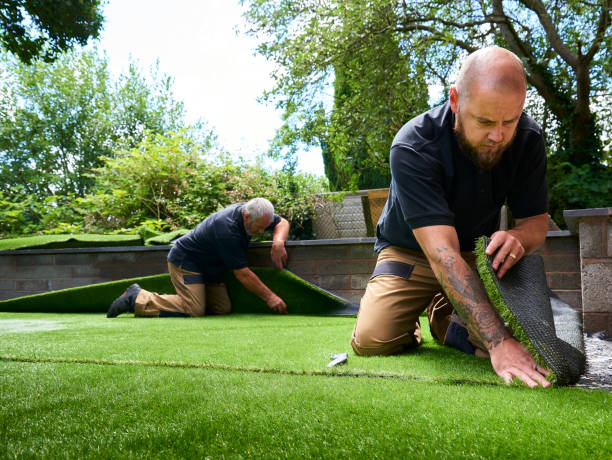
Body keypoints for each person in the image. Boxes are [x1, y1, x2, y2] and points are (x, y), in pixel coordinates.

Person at [351, 46, 552, 388]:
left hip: (474, 253)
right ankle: (413, 314)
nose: (498, 136)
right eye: (485, 121)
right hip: (410, 252)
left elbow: (536, 224)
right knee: (374, 340)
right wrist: (498, 344)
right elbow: (441, 255)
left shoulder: (528, 140)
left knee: (523, 338)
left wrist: (518, 238)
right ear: (456, 101)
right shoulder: (413, 145)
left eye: (510, 121)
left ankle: (444, 316)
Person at [107, 197, 290, 318]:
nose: (260, 232)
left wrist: (278, 242)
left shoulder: (258, 213)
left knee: (222, 309)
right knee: (193, 310)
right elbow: (243, 274)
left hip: (210, 268)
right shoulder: (227, 228)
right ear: (247, 216)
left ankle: (194, 298)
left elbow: (282, 222)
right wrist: (271, 298)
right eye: (259, 227)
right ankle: (136, 297)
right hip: (187, 260)